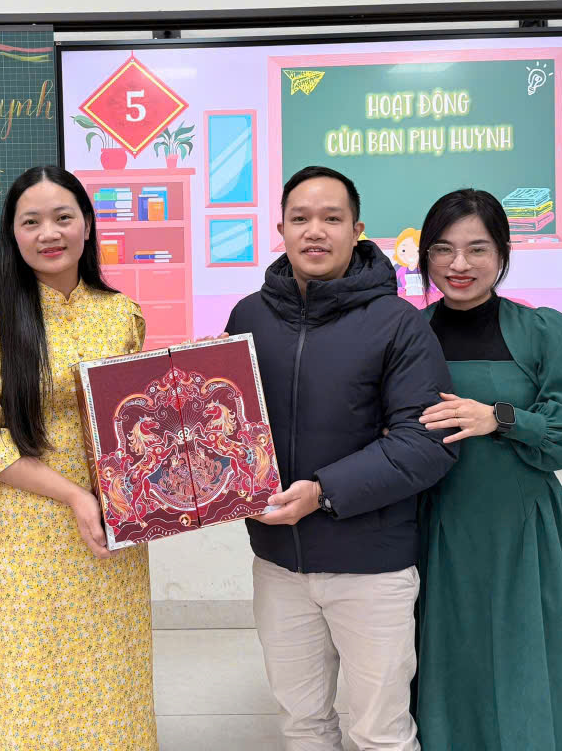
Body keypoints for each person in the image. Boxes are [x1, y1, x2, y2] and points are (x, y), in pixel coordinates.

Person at [224, 165, 457, 751]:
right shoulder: (247, 317)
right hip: (278, 563)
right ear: (280, 228)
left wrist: (322, 492)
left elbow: (427, 443)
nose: (315, 231)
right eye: (300, 218)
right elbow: (224, 428)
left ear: (357, 230)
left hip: (372, 567)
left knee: (380, 731)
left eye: (332, 218)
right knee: (302, 725)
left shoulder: (397, 323)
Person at [0, 165, 156, 750]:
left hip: (111, 522)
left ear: (87, 224)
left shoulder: (121, 313)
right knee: (25, 674)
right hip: (25, 523)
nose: (49, 233)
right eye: (31, 222)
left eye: (63, 217)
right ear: (12, 234)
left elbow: (134, 422)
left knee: (111, 673)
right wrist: (73, 495)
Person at [413, 188, 562, 751]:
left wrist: (500, 418)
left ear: (503, 253)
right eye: (443, 249)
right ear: (426, 256)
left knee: (526, 664)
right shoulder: (406, 332)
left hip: (523, 530)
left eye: (477, 249)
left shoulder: (543, 330)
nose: (459, 264)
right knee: (446, 664)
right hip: (432, 528)